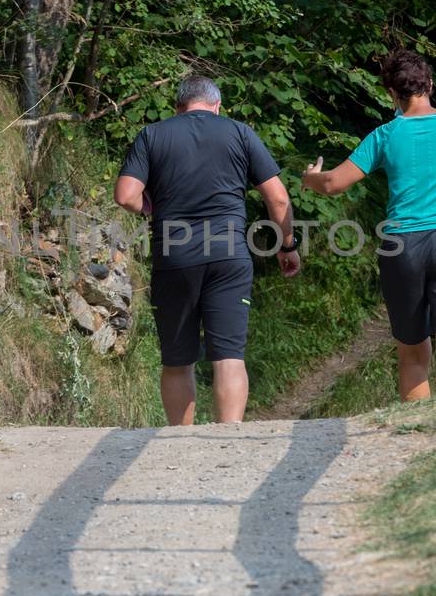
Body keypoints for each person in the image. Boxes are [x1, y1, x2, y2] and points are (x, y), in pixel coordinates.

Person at [114, 75, 301, 425]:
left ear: (178, 107)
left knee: (176, 360)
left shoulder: (153, 135)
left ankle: (180, 444)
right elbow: (277, 197)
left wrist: (150, 209)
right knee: (229, 356)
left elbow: (125, 195)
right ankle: (227, 441)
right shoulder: (239, 133)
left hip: (174, 255)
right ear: (217, 106)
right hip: (228, 255)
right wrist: (287, 245)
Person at [302, 50, 436, 401]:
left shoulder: (385, 135)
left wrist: (309, 179)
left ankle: (415, 437)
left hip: (401, 247)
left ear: (391, 94)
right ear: (430, 84)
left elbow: (333, 184)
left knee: (412, 353)